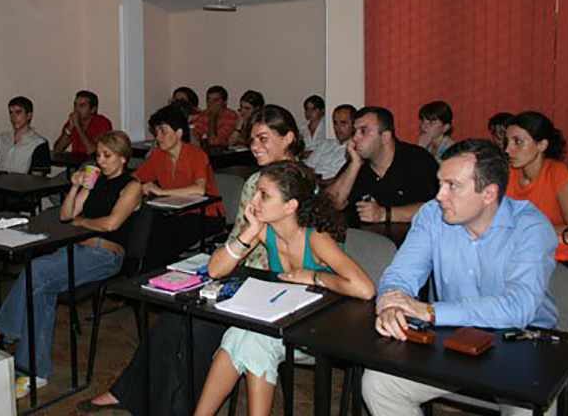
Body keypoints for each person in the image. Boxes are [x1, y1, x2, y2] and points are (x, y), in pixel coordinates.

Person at [80, 104, 306, 414]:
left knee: (197, 329)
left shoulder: (300, 186)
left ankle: (178, 408)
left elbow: (296, 252)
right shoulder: (256, 180)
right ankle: (128, 392)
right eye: (252, 139)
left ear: (288, 138)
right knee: (171, 318)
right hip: (236, 269)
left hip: (270, 285)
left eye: (263, 138)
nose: (255, 146)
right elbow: (238, 237)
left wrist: (229, 261)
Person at [362, 139, 558, 416]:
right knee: (379, 384)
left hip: (522, 343)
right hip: (451, 335)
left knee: (532, 409)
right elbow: (400, 275)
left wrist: (428, 311)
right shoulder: (432, 215)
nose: (439, 195)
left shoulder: (530, 227)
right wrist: (392, 303)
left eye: (452, 186)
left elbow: (518, 308)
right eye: (440, 183)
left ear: (488, 193)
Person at [0, 131, 141, 398]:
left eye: (107, 156)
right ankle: (33, 373)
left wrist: (82, 223)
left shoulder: (132, 186)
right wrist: (76, 186)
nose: (101, 161)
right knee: (41, 289)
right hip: (77, 249)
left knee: (35, 271)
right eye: (99, 155)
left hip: (105, 256)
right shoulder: (96, 181)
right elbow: (66, 215)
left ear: (123, 158)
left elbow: (111, 224)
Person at [195, 160, 375, 416]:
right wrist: (249, 231)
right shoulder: (264, 229)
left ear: (290, 206)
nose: (253, 201)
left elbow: (365, 289)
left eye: (264, 195)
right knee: (239, 335)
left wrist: (314, 276)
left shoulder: (316, 237)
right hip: (287, 321)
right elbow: (215, 270)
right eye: (256, 192)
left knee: (255, 340)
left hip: (324, 331)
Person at [134, 105, 222, 259]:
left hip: (205, 214)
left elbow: (199, 189)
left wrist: (161, 192)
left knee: (166, 234)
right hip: (174, 213)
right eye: (156, 132)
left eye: (163, 131)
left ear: (179, 133)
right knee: (145, 226)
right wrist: (139, 187)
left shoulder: (195, 153)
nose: (158, 137)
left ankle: (162, 269)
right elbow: (134, 179)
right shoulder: (157, 155)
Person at [328, 107, 438, 225]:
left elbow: (435, 208)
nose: (355, 138)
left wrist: (384, 214)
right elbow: (331, 204)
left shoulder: (417, 160)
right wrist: (355, 164)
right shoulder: (358, 164)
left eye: (363, 131)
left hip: (409, 235)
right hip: (363, 235)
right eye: (354, 132)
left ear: (385, 137)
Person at [505, 111, 568, 235]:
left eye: (517, 142)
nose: (508, 150)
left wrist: (526, 230)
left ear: (542, 145)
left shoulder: (558, 173)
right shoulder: (507, 172)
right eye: (507, 142)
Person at [0, 96, 50, 175]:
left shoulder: (39, 143)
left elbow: (37, 176)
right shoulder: (2, 138)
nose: (13, 117)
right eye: (11, 113)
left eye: (18, 112)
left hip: (21, 182)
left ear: (29, 115)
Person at [53, 90, 112, 155]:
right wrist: (69, 128)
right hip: (76, 160)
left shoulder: (103, 123)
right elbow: (57, 150)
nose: (77, 109)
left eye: (82, 105)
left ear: (93, 109)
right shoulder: (73, 122)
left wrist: (78, 127)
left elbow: (92, 151)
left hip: (94, 161)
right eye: (75, 105)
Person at [306, 103, 356, 179]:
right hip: (314, 182)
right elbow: (309, 166)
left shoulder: (355, 150)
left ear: (354, 125)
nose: (337, 127)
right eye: (335, 123)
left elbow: (341, 179)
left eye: (343, 123)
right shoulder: (325, 143)